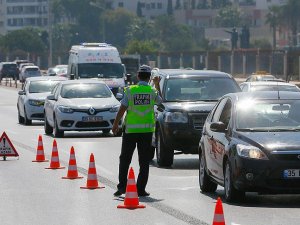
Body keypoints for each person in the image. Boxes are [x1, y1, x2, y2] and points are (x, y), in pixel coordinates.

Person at [112, 65, 162, 197]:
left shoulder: (130, 90)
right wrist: (157, 85)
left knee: (125, 159)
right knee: (144, 161)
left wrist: (115, 124)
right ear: (149, 77)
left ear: (138, 76)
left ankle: (122, 187)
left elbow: (122, 108)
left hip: (130, 131)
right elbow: (160, 101)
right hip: (146, 131)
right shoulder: (152, 91)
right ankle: (140, 189)